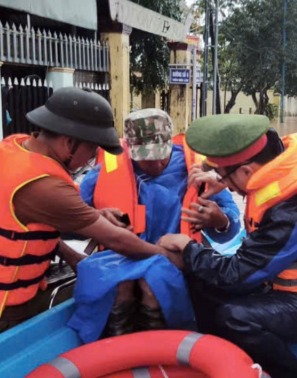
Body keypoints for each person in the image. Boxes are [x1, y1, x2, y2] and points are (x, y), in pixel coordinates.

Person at [0, 87, 178, 352]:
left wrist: (93, 222)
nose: (91, 158)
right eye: (91, 148)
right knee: (111, 288)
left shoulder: (13, 147)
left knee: (100, 281)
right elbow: (116, 239)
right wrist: (166, 255)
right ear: (68, 142)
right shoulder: (45, 186)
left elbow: (32, 222)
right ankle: (123, 353)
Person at [157, 114, 297, 378]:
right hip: (281, 284)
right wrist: (222, 178)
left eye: (227, 176)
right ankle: (219, 362)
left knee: (233, 316)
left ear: (247, 171)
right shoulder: (291, 152)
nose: (226, 184)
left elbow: (236, 276)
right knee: (198, 277)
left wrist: (189, 247)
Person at [77, 109, 241, 335]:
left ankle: (160, 346)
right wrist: (97, 218)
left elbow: (232, 228)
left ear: (169, 144)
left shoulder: (199, 171)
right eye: (145, 159)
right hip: (124, 254)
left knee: (153, 283)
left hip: (175, 256)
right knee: (118, 285)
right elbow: (73, 216)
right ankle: (119, 347)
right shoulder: (105, 171)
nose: (154, 166)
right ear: (131, 150)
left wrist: (219, 220)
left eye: (159, 156)